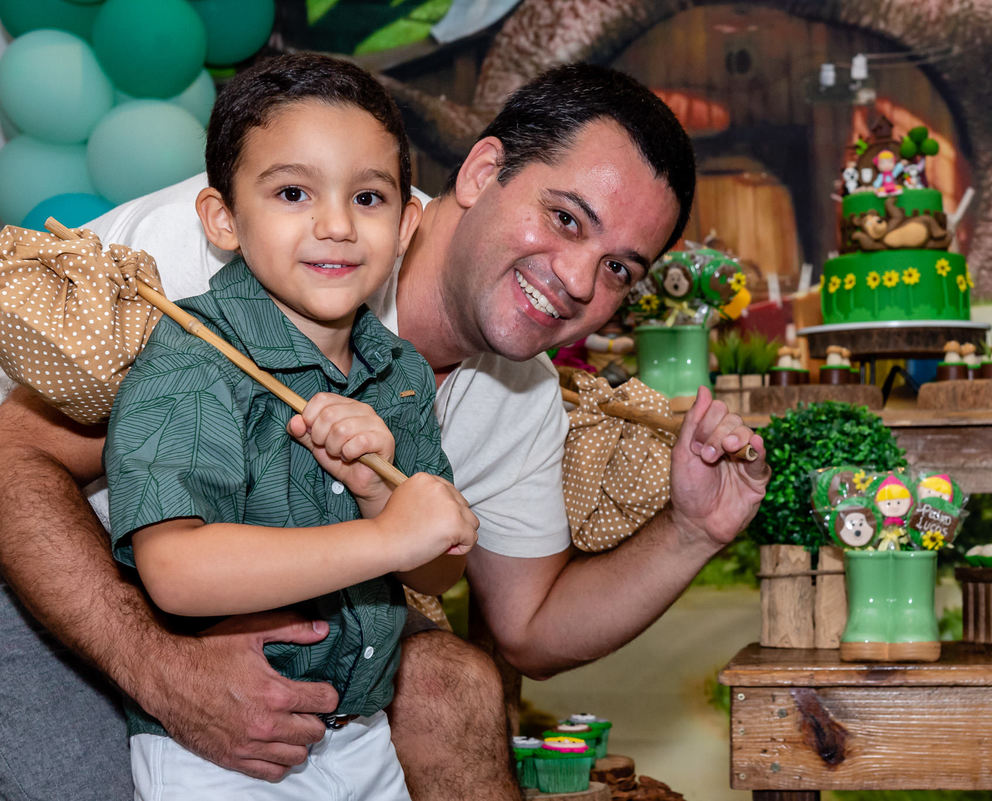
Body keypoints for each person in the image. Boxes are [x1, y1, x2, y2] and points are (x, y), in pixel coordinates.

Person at [0, 61, 769, 801]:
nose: (576, 280)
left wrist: (693, 531)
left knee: (455, 682)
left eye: (618, 270)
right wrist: (161, 668)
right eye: (564, 218)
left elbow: (530, 626)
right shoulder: (236, 259)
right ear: (480, 172)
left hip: (286, 630)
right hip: (44, 566)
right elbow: (14, 457)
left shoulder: (514, 387)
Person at [99, 52, 478, 797]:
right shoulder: (191, 356)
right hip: (218, 752)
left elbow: (440, 562)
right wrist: (383, 536)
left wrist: (380, 494)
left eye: (368, 198)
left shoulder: (399, 371)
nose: (335, 225)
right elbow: (174, 570)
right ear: (223, 218)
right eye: (293, 191)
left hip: (363, 734)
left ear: (407, 225)